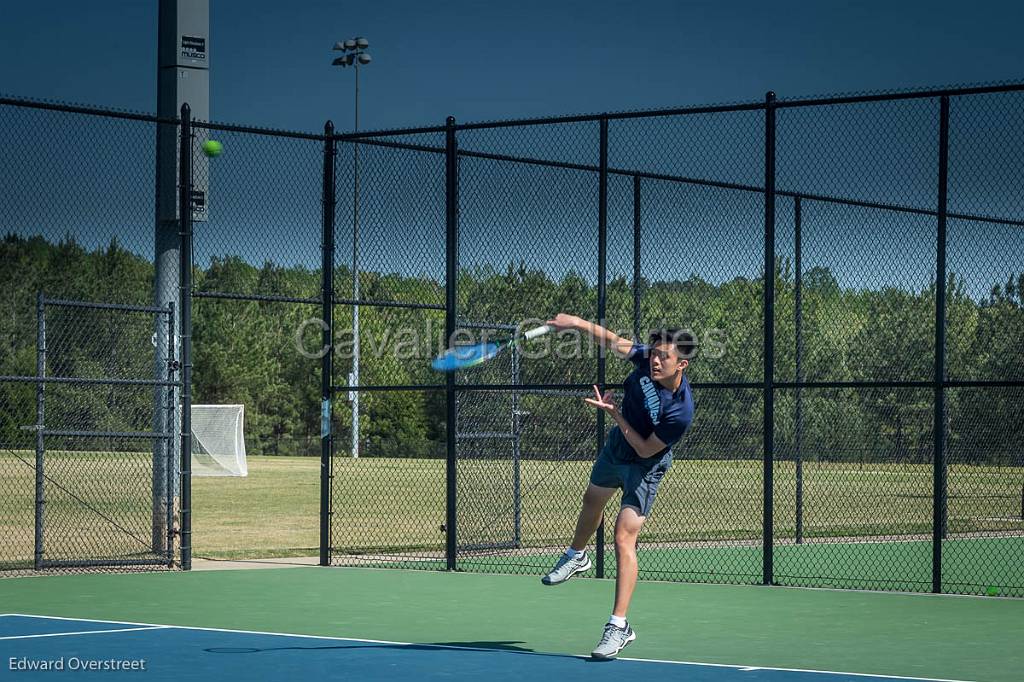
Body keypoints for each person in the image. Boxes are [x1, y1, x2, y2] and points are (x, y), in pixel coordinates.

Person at [540, 313, 695, 660]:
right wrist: (576, 323)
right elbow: (611, 340)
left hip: (646, 463)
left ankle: (618, 627)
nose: (654, 360)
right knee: (592, 498)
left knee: (623, 535)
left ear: (681, 364)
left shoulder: (680, 412)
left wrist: (613, 412)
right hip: (618, 447)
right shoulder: (645, 358)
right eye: (653, 353)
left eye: (663, 357)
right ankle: (576, 556)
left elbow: (644, 449)